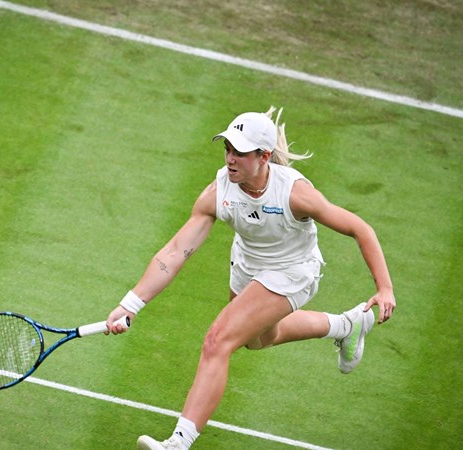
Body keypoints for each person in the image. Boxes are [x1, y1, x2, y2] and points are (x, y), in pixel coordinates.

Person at [106, 107, 396, 450]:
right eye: (227, 149)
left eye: (240, 153)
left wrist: (385, 287)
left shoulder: (295, 193)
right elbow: (174, 252)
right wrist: (131, 304)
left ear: (264, 156)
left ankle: (178, 443)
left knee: (218, 340)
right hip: (248, 267)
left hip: (293, 270)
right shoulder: (218, 192)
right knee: (258, 339)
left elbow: (360, 229)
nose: (230, 159)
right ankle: (346, 326)